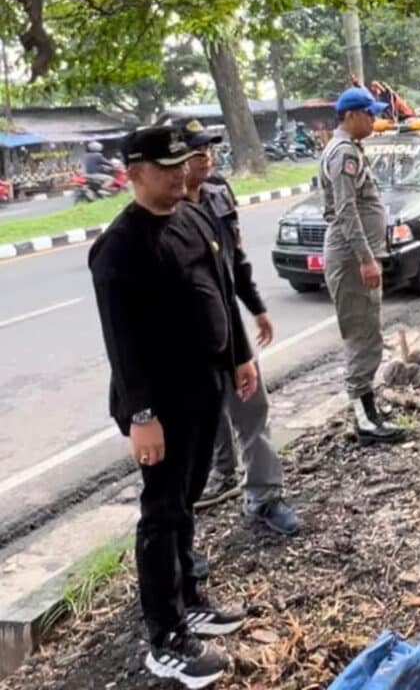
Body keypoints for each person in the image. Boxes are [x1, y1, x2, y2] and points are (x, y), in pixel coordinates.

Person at [89, 126, 256, 688]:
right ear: (134, 174)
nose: (182, 173)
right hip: (158, 406)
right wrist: (140, 416)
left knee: (188, 499)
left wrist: (239, 357)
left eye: (184, 163)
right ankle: (165, 635)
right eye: (167, 168)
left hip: (204, 386)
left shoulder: (193, 217)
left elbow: (221, 287)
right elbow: (121, 342)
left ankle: (190, 598)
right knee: (162, 512)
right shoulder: (120, 247)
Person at [180, 121, 300, 537]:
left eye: (209, 150)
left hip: (227, 323)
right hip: (187, 335)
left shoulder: (217, 195)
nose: (206, 157)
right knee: (204, 417)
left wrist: (257, 307)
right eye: (196, 152)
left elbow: (236, 262)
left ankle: (264, 496)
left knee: (251, 408)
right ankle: (217, 475)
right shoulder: (166, 211)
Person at [321, 88, 407, 445]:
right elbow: (346, 211)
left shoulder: (350, 149)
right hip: (351, 257)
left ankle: (368, 407)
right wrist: (366, 258)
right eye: (369, 114)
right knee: (361, 334)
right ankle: (364, 419)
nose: (373, 120)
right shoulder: (343, 153)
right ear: (350, 115)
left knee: (369, 331)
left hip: (358, 256)